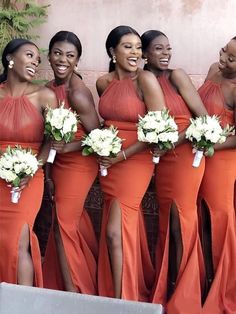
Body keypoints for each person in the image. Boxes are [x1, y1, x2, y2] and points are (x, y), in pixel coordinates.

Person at [96, 25, 166, 301]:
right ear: (113, 52)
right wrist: (103, 145)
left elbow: (160, 129)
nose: (136, 52)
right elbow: (107, 121)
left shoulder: (146, 80)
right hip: (107, 162)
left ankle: (122, 301)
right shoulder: (104, 82)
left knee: (115, 232)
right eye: (128, 46)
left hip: (135, 161)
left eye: (138, 46)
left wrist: (121, 155)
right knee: (119, 230)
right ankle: (121, 290)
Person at [141, 30, 208, 313]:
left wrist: (173, 141)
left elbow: (202, 119)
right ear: (144, 54)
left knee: (183, 221)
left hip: (184, 156)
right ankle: (169, 287)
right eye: (158, 49)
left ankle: (186, 295)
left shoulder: (176, 76)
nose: (166, 53)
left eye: (168, 48)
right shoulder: (140, 82)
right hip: (160, 161)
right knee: (168, 222)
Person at [42, 31, 100, 294]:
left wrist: (68, 147)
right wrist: (49, 174)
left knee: (62, 225)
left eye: (69, 55)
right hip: (57, 163)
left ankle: (74, 293)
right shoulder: (47, 90)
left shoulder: (78, 94)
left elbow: (98, 139)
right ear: (49, 55)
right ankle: (80, 277)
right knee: (66, 222)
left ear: (77, 61)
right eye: (57, 53)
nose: (62, 60)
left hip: (78, 163)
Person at [0, 38, 57, 286]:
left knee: (18, 241)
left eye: (37, 59)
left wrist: (33, 168)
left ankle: (22, 305)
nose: (35, 61)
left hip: (29, 178)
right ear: (10, 59)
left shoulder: (45, 95)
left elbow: (51, 140)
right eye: (29, 55)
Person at [198, 37, 236, 314]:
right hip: (199, 155)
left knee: (220, 217)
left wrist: (211, 145)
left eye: (232, 58)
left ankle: (225, 287)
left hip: (221, 159)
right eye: (224, 50)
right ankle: (205, 278)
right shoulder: (213, 68)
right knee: (200, 216)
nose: (223, 58)